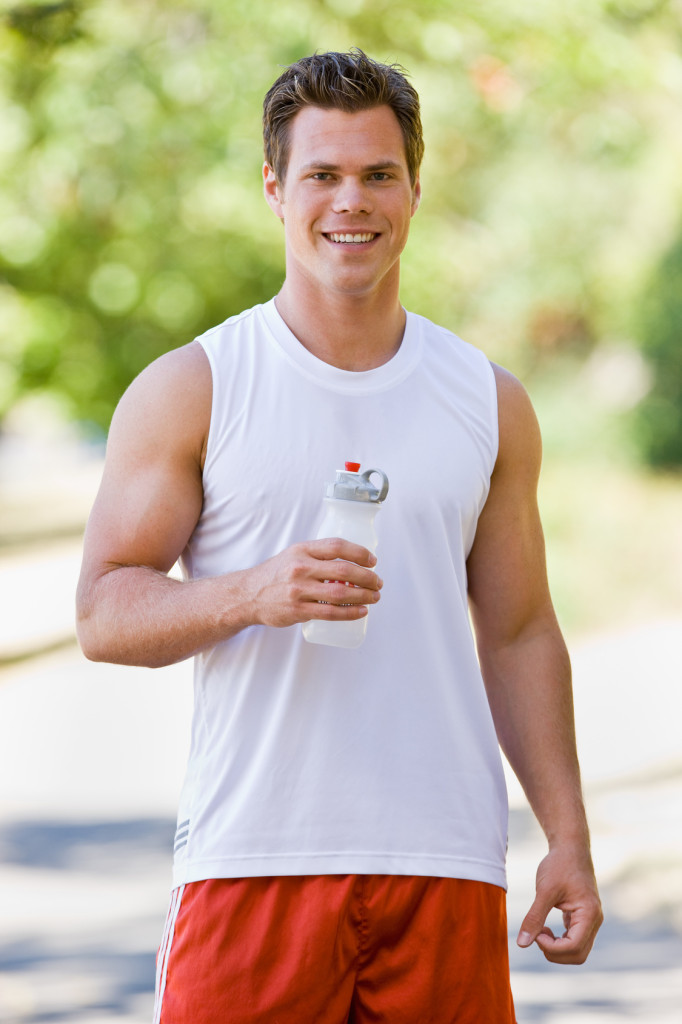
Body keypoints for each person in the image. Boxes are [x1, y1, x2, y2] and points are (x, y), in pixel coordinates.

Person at [76, 48, 602, 1024]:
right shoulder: (196, 386)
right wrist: (253, 592)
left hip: (443, 862)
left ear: (414, 185)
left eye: (377, 173)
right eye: (322, 174)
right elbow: (105, 612)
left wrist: (566, 837)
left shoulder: (488, 402)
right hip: (254, 863)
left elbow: (521, 630)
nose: (349, 201)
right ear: (275, 188)